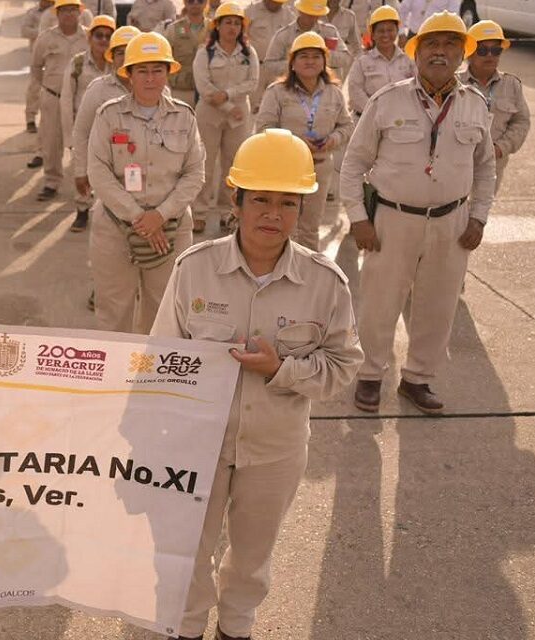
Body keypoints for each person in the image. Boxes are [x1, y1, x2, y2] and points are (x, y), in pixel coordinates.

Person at [152, 128, 363, 640]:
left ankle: (236, 629)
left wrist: (279, 370)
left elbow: (343, 366)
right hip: (196, 450)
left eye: (288, 203)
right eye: (262, 200)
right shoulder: (194, 270)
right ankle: (187, 628)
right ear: (236, 200)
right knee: (187, 552)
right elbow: (158, 363)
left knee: (251, 555)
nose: (274, 214)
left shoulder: (325, 282)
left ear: (302, 208)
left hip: (274, 449)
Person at [341, 12, 495, 415]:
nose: (440, 52)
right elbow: (354, 162)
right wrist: (358, 217)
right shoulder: (387, 99)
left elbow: (486, 166)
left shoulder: (476, 105)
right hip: (392, 221)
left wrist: (478, 217)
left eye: (449, 45)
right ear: (417, 52)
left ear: (463, 53)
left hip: (452, 223)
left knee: (438, 304)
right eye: (431, 44)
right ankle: (371, 375)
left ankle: (418, 379)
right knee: (379, 302)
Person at [87, 32, 205, 334]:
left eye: (157, 70)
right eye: (143, 70)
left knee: (163, 312)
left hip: (171, 231)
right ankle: (112, 378)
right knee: (114, 310)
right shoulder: (108, 115)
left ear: (168, 73)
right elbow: (97, 170)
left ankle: (148, 379)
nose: (150, 78)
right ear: (129, 74)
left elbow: (194, 173)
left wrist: (160, 216)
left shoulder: (185, 117)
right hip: (115, 227)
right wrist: (138, 217)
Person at [257, 32, 353, 249]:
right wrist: (295, 141)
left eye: (316, 56)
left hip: (319, 168)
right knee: (282, 226)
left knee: (310, 228)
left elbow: (347, 125)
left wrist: (333, 139)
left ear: (324, 62)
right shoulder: (277, 92)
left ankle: (307, 277)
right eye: (303, 56)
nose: (310, 61)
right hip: (285, 169)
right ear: (292, 63)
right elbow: (263, 129)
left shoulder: (334, 93)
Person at [193, 2, 259, 234]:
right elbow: (203, 86)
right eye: (227, 22)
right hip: (209, 115)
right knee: (205, 164)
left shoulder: (249, 53)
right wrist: (229, 106)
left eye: (236, 23)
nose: (232, 27)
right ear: (217, 26)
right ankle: (198, 212)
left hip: (239, 117)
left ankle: (227, 212)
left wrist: (229, 96)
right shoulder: (205, 52)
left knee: (233, 165)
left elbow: (252, 83)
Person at [71, 25, 139, 238]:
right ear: (112, 57)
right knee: (110, 228)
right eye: (120, 52)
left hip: (143, 170)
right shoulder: (97, 89)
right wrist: (80, 170)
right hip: (107, 170)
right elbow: (81, 133)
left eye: (130, 51)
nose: (125, 58)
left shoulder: (155, 88)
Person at [458, 20, 529, 192]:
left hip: (493, 165)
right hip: (458, 164)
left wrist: (500, 148)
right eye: (483, 50)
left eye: (496, 50)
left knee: (480, 213)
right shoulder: (454, 83)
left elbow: (521, 122)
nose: (490, 55)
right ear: (469, 53)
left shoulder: (511, 85)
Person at [60, 15, 114, 232]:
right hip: (85, 130)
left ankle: (110, 214)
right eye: (99, 35)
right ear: (90, 37)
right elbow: (66, 100)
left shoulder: (119, 65)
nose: (103, 40)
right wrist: (69, 137)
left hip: (112, 131)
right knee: (81, 171)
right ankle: (82, 210)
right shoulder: (78, 63)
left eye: (108, 36)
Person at [30, 0, 88, 202]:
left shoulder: (89, 37)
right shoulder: (46, 38)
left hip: (81, 100)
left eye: (73, 10)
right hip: (53, 96)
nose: (69, 14)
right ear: (57, 13)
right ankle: (51, 182)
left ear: (80, 13)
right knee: (51, 142)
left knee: (82, 143)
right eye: (64, 10)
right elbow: (36, 67)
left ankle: (83, 185)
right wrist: (49, 86)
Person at [345, 5, 415, 115]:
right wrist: (376, 112)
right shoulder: (362, 62)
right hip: (368, 120)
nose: (386, 34)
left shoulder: (409, 60)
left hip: (401, 119)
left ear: (397, 30)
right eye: (381, 31)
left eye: (390, 30)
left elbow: (417, 88)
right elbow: (355, 91)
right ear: (372, 34)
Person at [262, 0, 352, 84]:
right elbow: (269, 64)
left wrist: (323, 56)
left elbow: (346, 58)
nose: (313, 19)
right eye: (309, 15)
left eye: (317, 15)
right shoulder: (284, 35)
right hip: (293, 89)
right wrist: (295, 64)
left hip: (324, 89)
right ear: (300, 11)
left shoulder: (330, 32)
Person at [245, 0, 295, 108]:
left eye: (279, 2)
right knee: (253, 108)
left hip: (278, 70)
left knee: (277, 107)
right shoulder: (250, 12)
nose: (276, 4)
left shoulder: (289, 16)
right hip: (255, 68)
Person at [159, 0, 206, 108]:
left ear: (206, 3)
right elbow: (163, 59)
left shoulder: (214, 29)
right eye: (190, 1)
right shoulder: (173, 29)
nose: (195, 3)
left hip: (207, 93)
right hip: (180, 90)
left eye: (200, 1)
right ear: (184, 2)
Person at [22, 0, 54, 140]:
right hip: (38, 56)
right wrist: (42, 32)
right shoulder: (32, 13)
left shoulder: (55, 12)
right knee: (34, 88)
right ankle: (30, 118)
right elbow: (24, 30)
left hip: (54, 56)